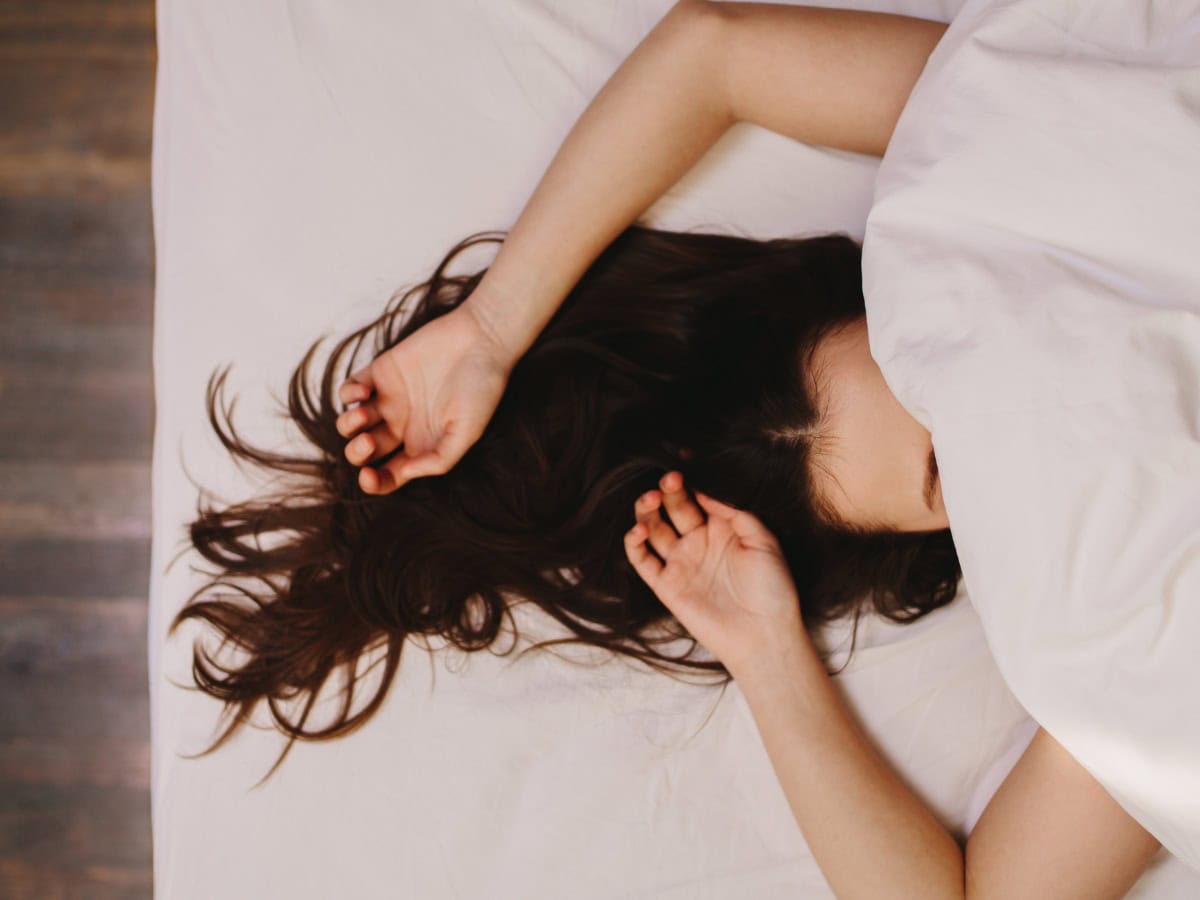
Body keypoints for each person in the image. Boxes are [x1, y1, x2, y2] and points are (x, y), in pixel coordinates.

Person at [175, 3, 1162, 896]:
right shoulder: (1109, 616)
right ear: (940, 536)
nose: (994, 411)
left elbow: (714, 53)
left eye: (926, 366)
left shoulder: (1000, 154)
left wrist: (493, 329)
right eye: (948, 469)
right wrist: (769, 655)